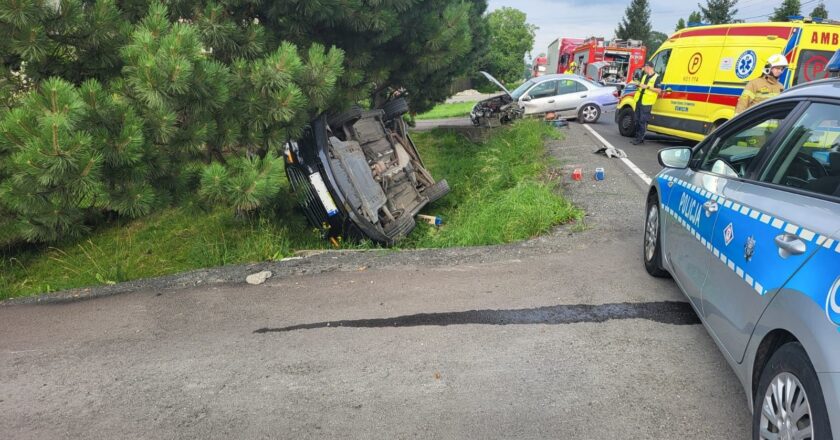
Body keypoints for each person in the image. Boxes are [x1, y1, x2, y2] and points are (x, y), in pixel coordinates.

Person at [631, 61, 662, 145]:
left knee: (642, 121)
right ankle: (637, 137)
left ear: (649, 67)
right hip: (639, 100)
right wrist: (638, 84)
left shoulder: (657, 77)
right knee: (637, 119)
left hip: (647, 102)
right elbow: (642, 86)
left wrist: (647, 87)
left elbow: (659, 90)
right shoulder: (644, 76)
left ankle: (640, 139)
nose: (643, 69)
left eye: (644, 67)